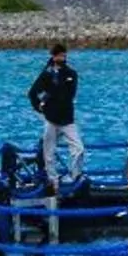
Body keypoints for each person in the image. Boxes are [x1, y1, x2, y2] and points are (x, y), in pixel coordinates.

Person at [30, 43, 84, 191]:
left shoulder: (71, 74)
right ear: (53, 56)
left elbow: (70, 93)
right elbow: (33, 92)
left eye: (64, 55)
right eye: (59, 55)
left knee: (79, 149)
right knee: (49, 152)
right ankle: (52, 179)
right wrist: (40, 108)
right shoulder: (46, 74)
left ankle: (75, 176)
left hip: (67, 119)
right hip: (51, 119)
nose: (62, 57)